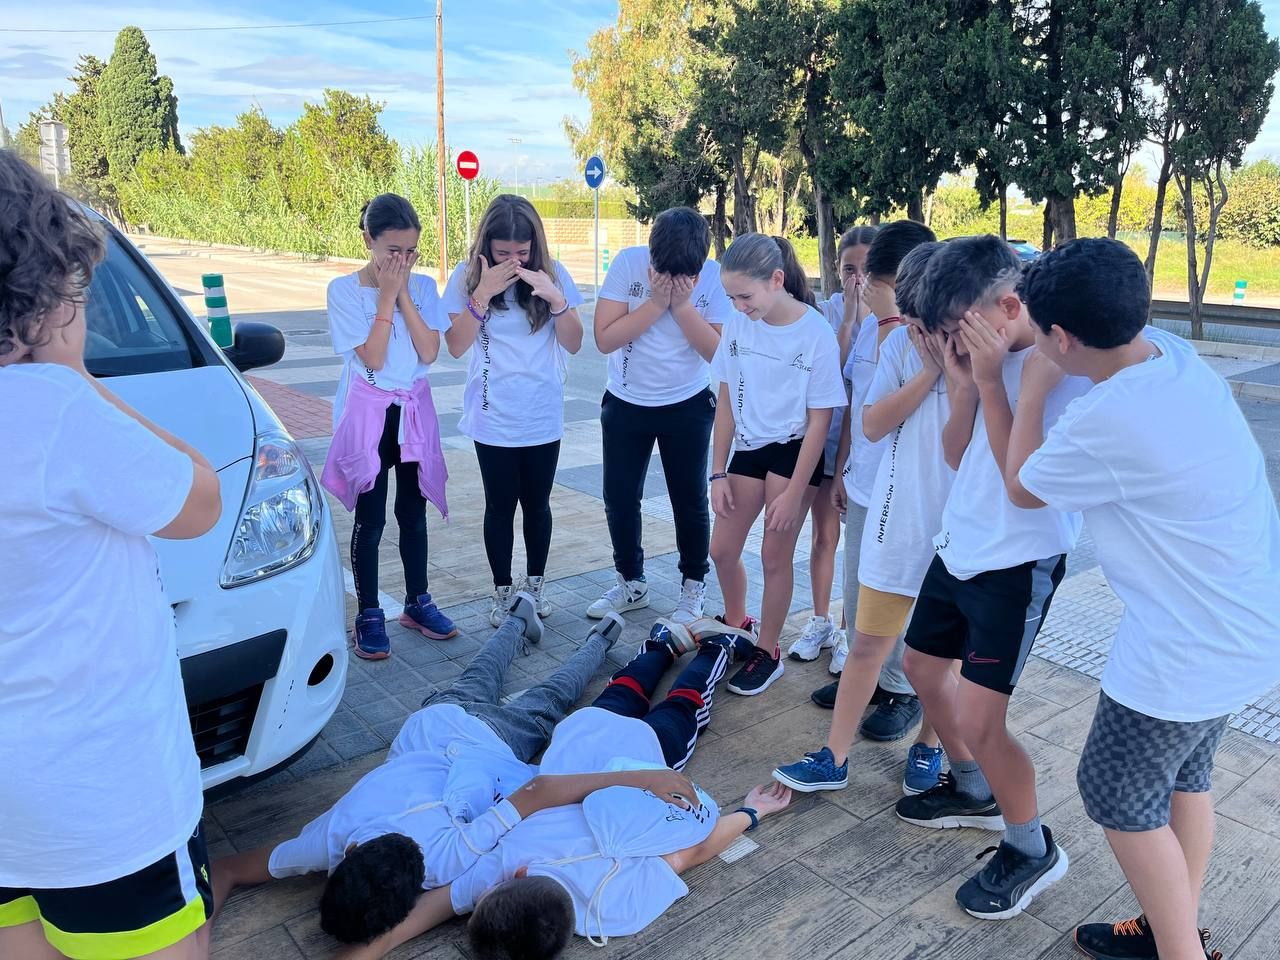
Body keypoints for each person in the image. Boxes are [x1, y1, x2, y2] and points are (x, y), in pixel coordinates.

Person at [1003, 239, 1279, 960]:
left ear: (1062, 339)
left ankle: (1180, 952)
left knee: (1115, 792)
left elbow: (1024, 487)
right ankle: (1170, 931)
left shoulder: (1108, 417)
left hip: (1185, 649)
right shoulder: (1171, 355)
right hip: (1247, 623)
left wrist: (1027, 391)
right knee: (1186, 777)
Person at [0, 150, 222, 960]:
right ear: (38, 293)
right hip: (105, 808)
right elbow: (200, 501)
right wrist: (75, 377)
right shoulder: (56, 409)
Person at [209, 597, 690, 944]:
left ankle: (600, 639)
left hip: (496, 745)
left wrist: (640, 779)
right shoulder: (329, 836)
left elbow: (541, 790)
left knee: (553, 695)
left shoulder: (445, 858)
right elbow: (225, 871)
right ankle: (519, 618)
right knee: (483, 671)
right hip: (438, 722)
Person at [328, 620, 789, 960]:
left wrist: (752, 812)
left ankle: (707, 647)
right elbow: (403, 928)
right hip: (590, 742)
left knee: (680, 706)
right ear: (519, 876)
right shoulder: (507, 858)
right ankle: (671, 644)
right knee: (628, 690)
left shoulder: (611, 906)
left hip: (647, 758)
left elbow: (692, 853)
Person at [895, 234, 1092, 920]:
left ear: (1009, 306)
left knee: (984, 720)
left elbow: (1023, 486)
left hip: (1019, 561)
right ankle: (973, 788)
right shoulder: (984, 357)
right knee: (920, 666)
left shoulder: (1058, 368)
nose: (952, 342)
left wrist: (986, 383)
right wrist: (962, 383)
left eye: (957, 329)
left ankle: (1030, 846)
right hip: (961, 543)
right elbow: (957, 454)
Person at [774, 239, 959, 798]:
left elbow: (968, 445)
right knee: (865, 642)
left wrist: (959, 370)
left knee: (942, 653)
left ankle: (930, 745)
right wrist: (929, 372)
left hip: (958, 531)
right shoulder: (901, 342)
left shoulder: (983, 353)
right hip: (893, 520)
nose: (915, 321)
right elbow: (873, 422)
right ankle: (834, 756)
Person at [812, 221, 936, 748]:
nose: (860, 284)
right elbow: (856, 405)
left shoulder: (924, 337)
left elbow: (889, 407)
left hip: (909, 494)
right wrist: (841, 469)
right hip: (864, 482)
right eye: (854, 271)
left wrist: (889, 320)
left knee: (904, 594)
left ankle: (901, 690)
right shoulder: (868, 328)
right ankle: (865, 677)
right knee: (861, 589)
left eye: (873, 276)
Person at [708, 234, 848, 696]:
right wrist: (717, 471)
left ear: (776, 279)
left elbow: (820, 420)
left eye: (745, 296)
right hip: (750, 446)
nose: (738, 307)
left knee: (774, 555)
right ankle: (737, 624)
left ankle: (768, 652)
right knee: (721, 549)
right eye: (731, 297)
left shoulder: (815, 332)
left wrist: (794, 492)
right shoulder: (737, 325)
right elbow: (725, 401)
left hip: (795, 451)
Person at [321, 193, 456, 660]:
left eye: (410, 251)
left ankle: (418, 601)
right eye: (392, 251)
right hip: (368, 413)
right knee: (372, 517)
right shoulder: (343, 291)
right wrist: (384, 297)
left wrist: (402, 294)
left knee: (413, 512)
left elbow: (429, 351)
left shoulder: (423, 288)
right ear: (368, 241)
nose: (401, 261)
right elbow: (374, 357)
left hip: (412, 411)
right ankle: (369, 612)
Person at [587, 207, 736, 625]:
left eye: (683, 276)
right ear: (650, 252)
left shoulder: (713, 277)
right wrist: (655, 304)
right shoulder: (628, 264)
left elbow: (718, 355)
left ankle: (693, 586)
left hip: (687, 402)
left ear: (700, 265)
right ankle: (630, 582)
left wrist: (683, 306)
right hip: (626, 400)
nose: (670, 280)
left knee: (689, 500)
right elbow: (604, 338)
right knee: (619, 497)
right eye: (662, 271)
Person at [442, 195, 585, 627]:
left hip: (541, 413)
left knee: (537, 505)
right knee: (499, 506)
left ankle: (535, 587)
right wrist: (483, 293)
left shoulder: (553, 273)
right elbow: (456, 345)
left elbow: (575, 342)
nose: (513, 261)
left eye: (521, 252)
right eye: (503, 252)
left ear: (534, 246)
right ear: (486, 244)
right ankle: (502, 591)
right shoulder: (466, 277)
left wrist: (556, 300)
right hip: (493, 414)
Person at [786, 226, 878, 666]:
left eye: (865, 269)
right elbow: (831, 368)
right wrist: (848, 319)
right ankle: (820, 620)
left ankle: (847, 630)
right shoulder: (826, 311)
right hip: (826, 443)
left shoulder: (892, 317)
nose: (857, 278)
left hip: (865, 449)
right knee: (824, 536)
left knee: (857, 546)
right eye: (848, 269)